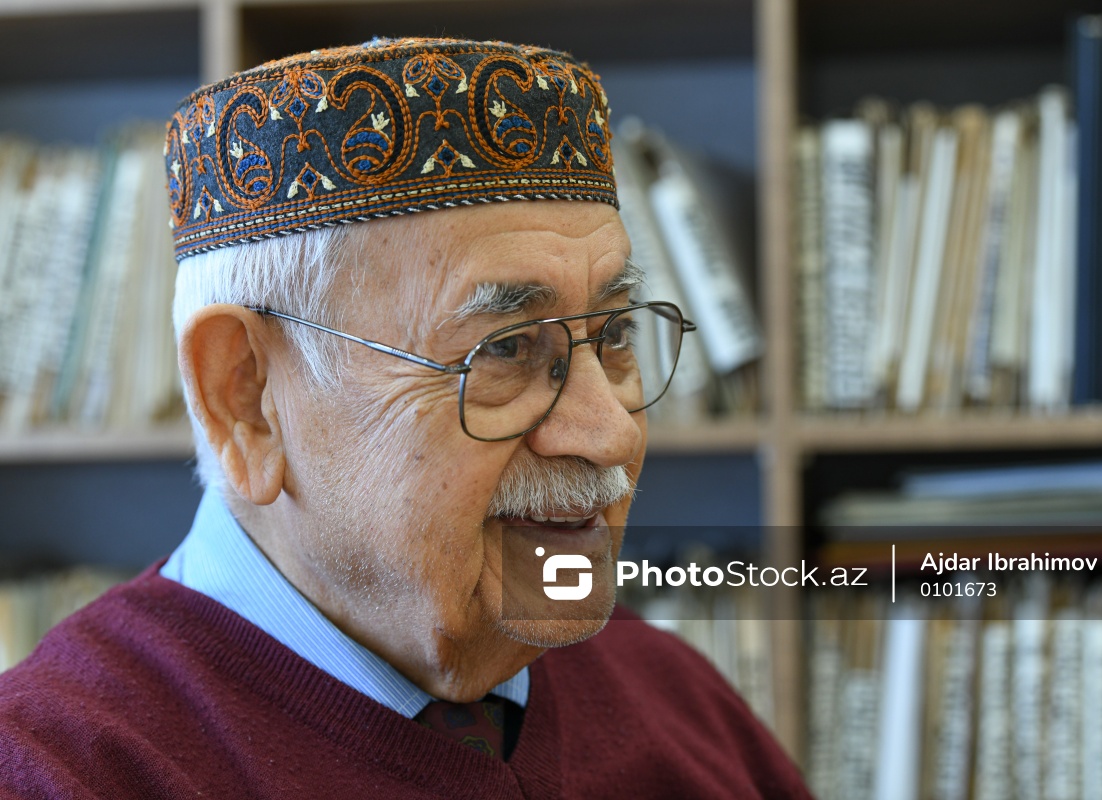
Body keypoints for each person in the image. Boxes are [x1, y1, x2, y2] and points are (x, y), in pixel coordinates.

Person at [0, 37, 810, 798]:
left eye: (617, 335)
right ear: (244, 396)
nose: (611, 434)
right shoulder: (63, 771)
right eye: (506, 349)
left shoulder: (674, 695)